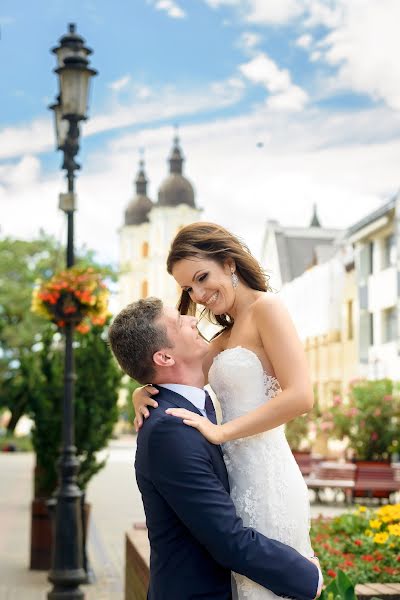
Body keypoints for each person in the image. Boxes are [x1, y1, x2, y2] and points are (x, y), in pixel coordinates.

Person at [133, 222, 320, 599]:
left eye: (202, 278)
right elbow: (176, 377)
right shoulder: (220, 340)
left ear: (229, 264)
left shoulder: (268, 309)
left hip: (268, 479)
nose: (199, 295)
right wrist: (141, 391)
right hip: (233, 483)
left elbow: (301, 396)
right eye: (189, 288)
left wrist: (222, 433)